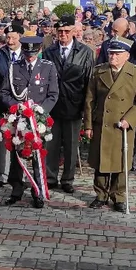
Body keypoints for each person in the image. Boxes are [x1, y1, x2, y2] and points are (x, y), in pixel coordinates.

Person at [83, 38, 136, 213]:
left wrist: (130, 119)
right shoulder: (99, 71)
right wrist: (89, 125)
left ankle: (119, 196)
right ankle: (100, 194)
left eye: (117, 54)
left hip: (122, 125)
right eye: (110, 53)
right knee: (101, 161)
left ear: (127, 56)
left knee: (121, 163)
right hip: (102, 124)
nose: (112, 56)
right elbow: (89, 100)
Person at [0, 36, 59, 208]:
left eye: (33, 53)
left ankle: (37, 192)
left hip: (38, 120)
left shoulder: (48, 67)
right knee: (17, 155)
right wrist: (15, 106)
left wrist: (40, 111)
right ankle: (16, 190)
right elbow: (4, 92)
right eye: (26, 53)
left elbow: (53, 94)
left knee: (38, 157)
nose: (29, 56)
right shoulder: (14, 67)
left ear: (39, 50)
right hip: (19, 119)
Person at [42, 16, 94, 194]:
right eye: (60, 32)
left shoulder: (85, 52)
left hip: (74, 104)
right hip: (53, 106)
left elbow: (89, 81)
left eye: (66, 31)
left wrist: (86, 109)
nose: (63, 35)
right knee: (51, 144)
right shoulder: (49, 51)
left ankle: (68, 179)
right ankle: (50, 177)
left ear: (74, 32)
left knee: (72, 146)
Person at [0, 29, 23, 188]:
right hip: (2, 106)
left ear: (20, 37)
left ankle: (20, 175)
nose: (10, 41)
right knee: (4, 141)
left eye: (14, 38)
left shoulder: (27, 54)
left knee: (22, 141)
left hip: (23, 107)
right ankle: (2, 175)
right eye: (8, 37)